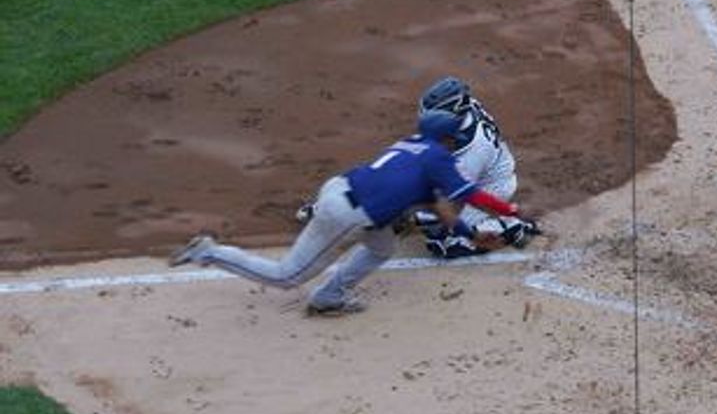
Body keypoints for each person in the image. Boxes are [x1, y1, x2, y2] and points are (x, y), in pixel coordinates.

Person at [168, 109, 526, 314]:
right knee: (286, 276)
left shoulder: (412, 145)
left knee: (382, 248)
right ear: (447, 138)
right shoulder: (438, 158)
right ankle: (209, 252)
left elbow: (440, 206)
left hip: (341, 191)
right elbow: (471, 195)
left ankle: (330, 296)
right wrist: (509, 209)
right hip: (348, 214)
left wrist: (470, 234)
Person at [412, 75, 539, 258]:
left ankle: (510, 225)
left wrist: (430, 218)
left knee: (445, 238)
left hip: (491, 186)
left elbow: (459, 194)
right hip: (483, 168)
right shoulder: (464, 110)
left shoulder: (473, 149)